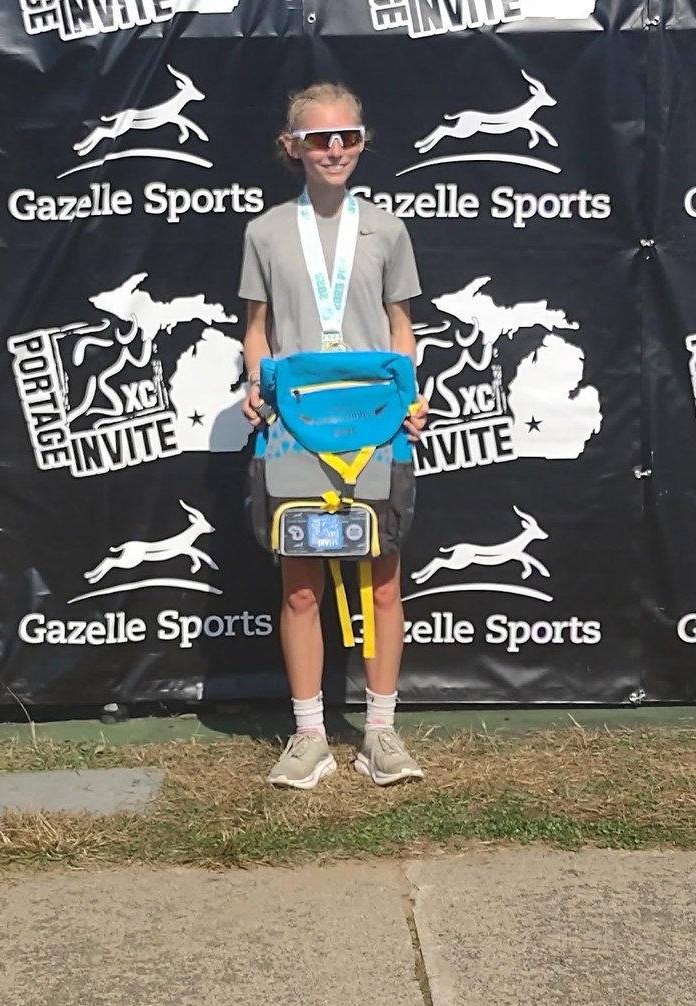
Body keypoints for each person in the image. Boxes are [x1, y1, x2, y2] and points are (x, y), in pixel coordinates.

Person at [238, 82, 428, 790]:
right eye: (320, 138)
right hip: (295, 428)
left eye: (348, 135)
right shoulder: (263, 232)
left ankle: (380, 733)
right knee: (300, 589)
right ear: (294, 148)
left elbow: (400, 324)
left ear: (362, 142)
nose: (336, 148)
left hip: (377, 426)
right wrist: (257, 387)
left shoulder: (386, 229)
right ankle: (310, 735)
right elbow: (257, 331)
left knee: (382, 581)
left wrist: (412, 395)